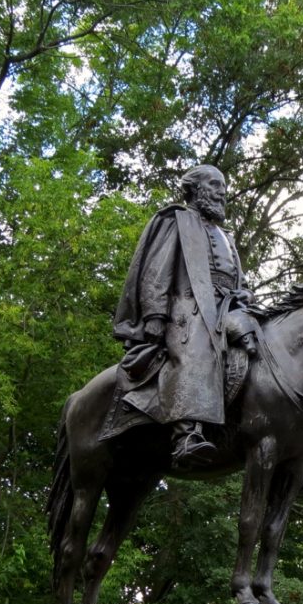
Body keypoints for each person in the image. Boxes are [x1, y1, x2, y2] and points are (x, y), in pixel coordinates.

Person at [112, 165, 257, 467]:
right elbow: (157, 269)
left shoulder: (225, 234)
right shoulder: (176, 220)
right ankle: (186, 435)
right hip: (187, 307)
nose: (222, 191)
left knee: (267, 343)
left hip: (229, 307)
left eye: (224, 186)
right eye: (215, 184)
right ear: (195, 188)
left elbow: (236, 279)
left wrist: (244, 296)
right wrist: (154, 313)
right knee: (198, 347)